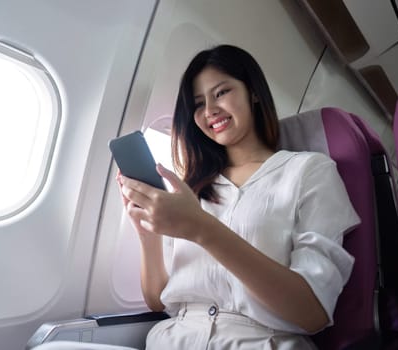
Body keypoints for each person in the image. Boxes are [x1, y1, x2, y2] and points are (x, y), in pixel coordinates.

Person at [116, 44, 360, 349]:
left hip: (261, 341)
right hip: (174, 339)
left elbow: (311, 314)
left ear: (253, 92)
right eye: (198, 103)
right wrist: (146, 233)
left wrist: (201, 229)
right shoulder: (190, 189)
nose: (209, 111)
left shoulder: (308, 171)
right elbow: (157, 300)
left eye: (221, 93)